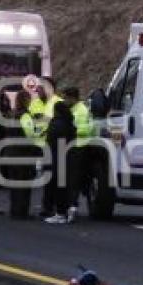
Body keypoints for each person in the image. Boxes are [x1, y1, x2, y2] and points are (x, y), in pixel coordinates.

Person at [7, 90, 42, 219]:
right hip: (23, 154)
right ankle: (22, 211)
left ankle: (14, 210)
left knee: (14, 185)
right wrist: (39, 132)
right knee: (24, 184)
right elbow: (30, 134)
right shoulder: (25, 116)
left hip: (11, 153)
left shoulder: (11, 115)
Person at [62, 87, 95, 222]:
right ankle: (73, 204)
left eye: (66, 98)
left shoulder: (80, 110)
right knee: (75, 179)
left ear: (73, 98)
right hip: (75, 146)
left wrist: (71, 130)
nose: (64, 100)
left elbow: (85, 129)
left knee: (74, 179)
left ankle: (73, 206)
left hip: (79, 147)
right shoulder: (74, 109)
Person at [45, 101, 76, 224]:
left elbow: (50, 141)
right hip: (68, 157)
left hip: (56, 157)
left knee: (58, 187)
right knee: (66, 186)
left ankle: (60, 214)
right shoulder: (70, 123)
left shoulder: (56, 124)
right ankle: (69, 209)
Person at [37, 78, 63, 217]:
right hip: (39, 146)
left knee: (51, 178)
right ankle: (47, 206)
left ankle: (49, 207)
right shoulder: (36, 103)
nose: (36, 90)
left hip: (53, 146)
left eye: (40, 87)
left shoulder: (57, 103)